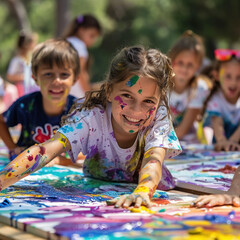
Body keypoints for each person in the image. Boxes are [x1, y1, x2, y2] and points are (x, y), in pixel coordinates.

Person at [0, 46, 181, 208]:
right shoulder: (92, 118)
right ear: (109, 91)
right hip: (95, 192)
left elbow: (153, 160)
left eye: (148, 101)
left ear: (159, 101)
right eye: (127, 96)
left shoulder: (159, 117)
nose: (136, 110)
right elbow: (45, 151)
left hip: (147, 196)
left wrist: (142, 191)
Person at [0, 39, 79, 164]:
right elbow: (1, 121)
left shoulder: (79, 111)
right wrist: (12, 147)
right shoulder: (25, 105)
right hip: (26, 170)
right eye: (48, 74)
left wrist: (58, 160)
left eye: (64, 74)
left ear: (75, 78)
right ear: (35, 78)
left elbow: (87, 154)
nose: (57, 81)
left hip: (64, 175)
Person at [168, 30, 212, 142]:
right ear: (172, 61)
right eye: (180, 63)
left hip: (188, 145)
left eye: (190, 65)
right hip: (162, 144)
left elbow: (183, 130)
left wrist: (160, 145)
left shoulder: (199, 88)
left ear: (198, 67)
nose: (184, 69)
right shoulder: (160, 85)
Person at [200, 49, 240, 151]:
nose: (233, 83)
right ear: (217, 75)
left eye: (238, 77)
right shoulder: (215, 98)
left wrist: (233, 141)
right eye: (228, 76)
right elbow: (217, 122)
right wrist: (222, 141)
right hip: (221, 148)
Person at [62, 14, 102, 98]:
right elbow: (80, 72)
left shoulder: (63, 42)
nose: (93, 41)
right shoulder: (79, 45)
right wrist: (88, 93)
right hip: (75, 93)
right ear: (81, 30)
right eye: (92, 36)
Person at [6, 31, 39, 97]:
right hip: (21, 89)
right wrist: (25, 76)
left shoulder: (30, 59)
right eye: (33, 42)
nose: (35, 44)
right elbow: (9, 76)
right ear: (26, 44)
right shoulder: (17, 60)